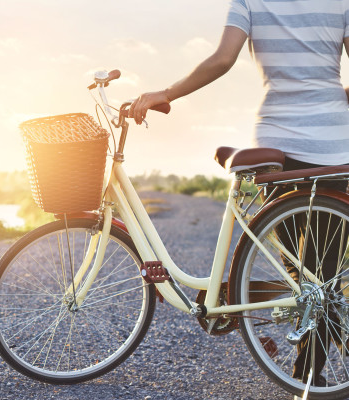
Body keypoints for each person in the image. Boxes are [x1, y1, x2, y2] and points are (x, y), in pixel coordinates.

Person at [128, 0, 349, 388]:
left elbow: (222, 59)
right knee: (323, 268)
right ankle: (310, 371)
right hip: (335, 138)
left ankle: (308, 371)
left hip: (277, 139)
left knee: (297, 265)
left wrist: (167, 93)